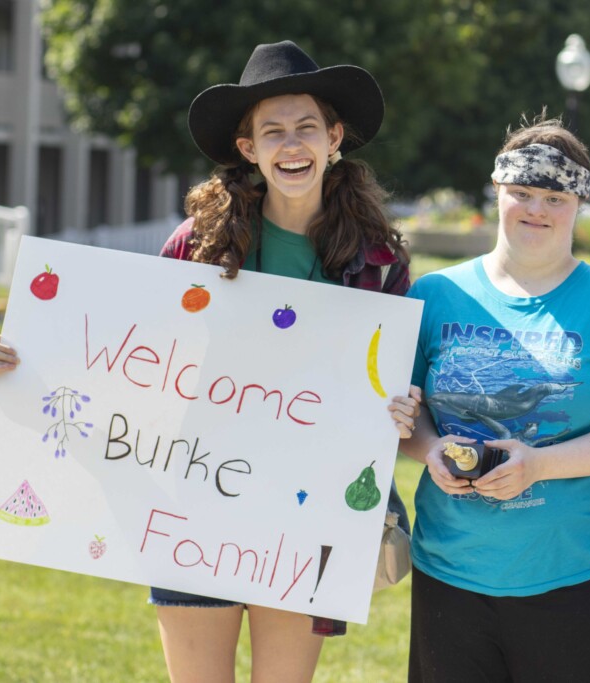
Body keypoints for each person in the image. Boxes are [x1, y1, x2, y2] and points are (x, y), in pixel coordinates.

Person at [153, 40, 419, 682]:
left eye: (306, 127)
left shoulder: (378, 262)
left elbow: (390, 377)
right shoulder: (198, 245)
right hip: (197, 492)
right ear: (249, 148)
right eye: (272, 131)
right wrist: (33, 359)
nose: (291, 144)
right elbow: (134, 354)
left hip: (312, 504)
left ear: (334, 138)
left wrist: (404, 404)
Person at [399, 114, 590, 683]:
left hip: (577, 571)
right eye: (522, 192)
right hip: (451, 568)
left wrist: (540, 465)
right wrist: (428, 448)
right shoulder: (433, 295)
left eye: (555, 196)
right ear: (497, 191)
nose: (537, 209)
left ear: (578, 204)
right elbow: (407, 412)